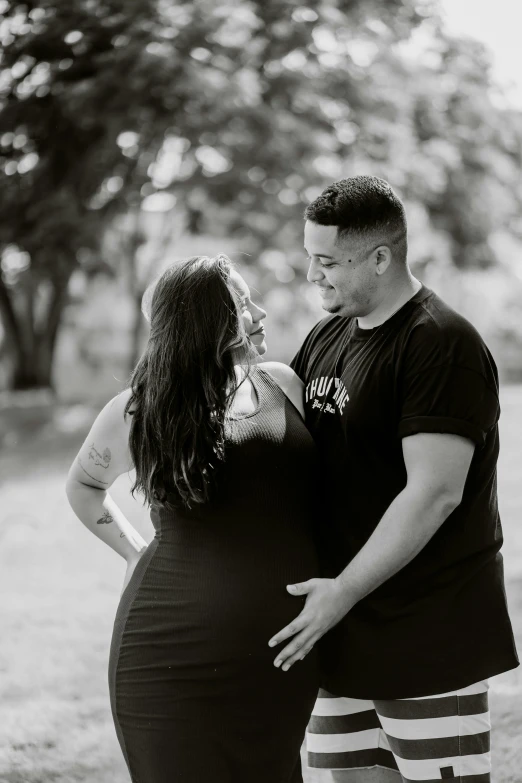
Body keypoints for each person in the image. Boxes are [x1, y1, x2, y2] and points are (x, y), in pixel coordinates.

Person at [267, 176, 519, 783]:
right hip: (339, 630)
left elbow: (434, 493)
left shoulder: (440, 343)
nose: (312, 276)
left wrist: (342, 591)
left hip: (426, 635)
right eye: (309, 259)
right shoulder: (327, 336)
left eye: (327, 261)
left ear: (381, 258)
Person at [65, 254, 321, 783]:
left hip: (277, 656)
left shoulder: (284, 386)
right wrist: (136, 551)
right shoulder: (140, 410)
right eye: (242, 305)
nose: (261, 312)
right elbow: (84, 485)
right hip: (166, 660)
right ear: (207, 324)